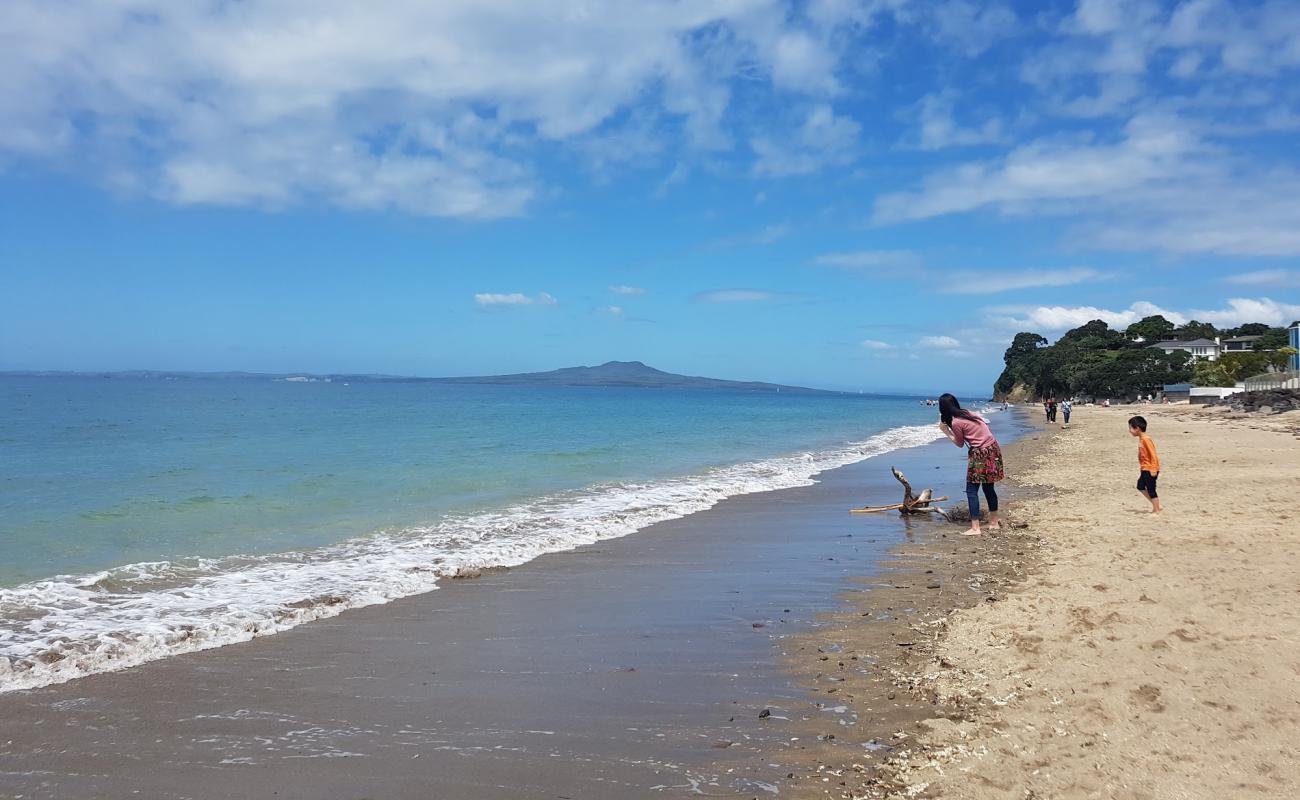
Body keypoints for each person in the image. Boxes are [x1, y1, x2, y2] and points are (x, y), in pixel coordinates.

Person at [937, 393, 1005, 536]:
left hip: (981, 454)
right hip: (993, 448)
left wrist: (946, 431)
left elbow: (959, 444)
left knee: (971, 490)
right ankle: (994, 522)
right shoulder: (968, 413)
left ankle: (975, 528)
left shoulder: (956, 422)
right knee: (988, 488)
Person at [1129, 415, 1162, 514]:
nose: (1130, 431)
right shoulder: (1141, 438)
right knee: (1140, 486)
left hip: (1150, 468)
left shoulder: (1146, 439)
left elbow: (1153, 454)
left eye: (1131, 428)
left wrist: (1153, 469)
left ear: (1137, 428)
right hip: (1144, 468)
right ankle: (1157, 505)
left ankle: (1156, 510)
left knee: (1151, 489)